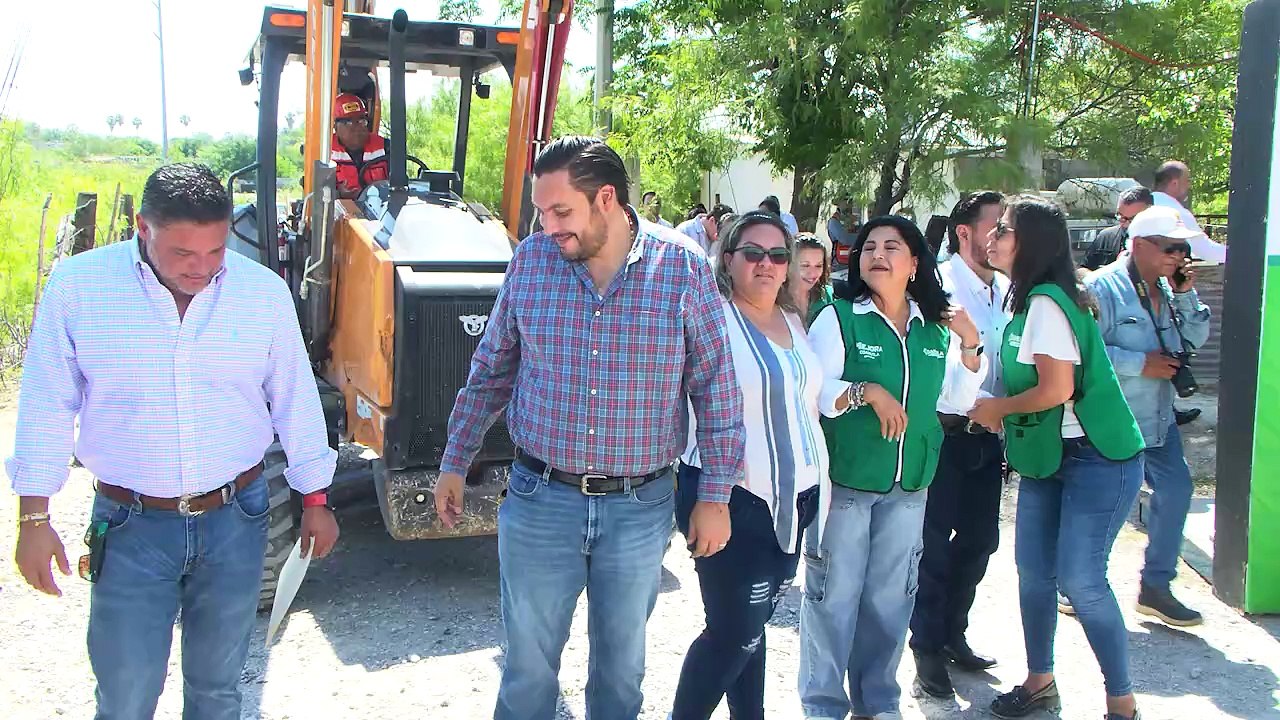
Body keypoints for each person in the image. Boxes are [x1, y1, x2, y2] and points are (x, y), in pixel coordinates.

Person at [7, 163, 339, 718]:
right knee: (126, 694)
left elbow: (295, 399)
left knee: (217, 691)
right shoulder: (80, 289)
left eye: (216, 251)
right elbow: (47, 404)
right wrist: (33, 519)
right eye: (183, 253)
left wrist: (315, 500)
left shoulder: (262, 293)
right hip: (130, 527)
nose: (202, 268)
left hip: (236, 521)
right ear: (143, 227)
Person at [433, 136, 745, 720]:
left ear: (606, 199)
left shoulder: (681, 268)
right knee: (527, 673)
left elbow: (717, 389)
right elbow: (491, 369)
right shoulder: (532, 262)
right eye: (541, 212)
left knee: (621, 676)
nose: (547, 227)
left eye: (560, 211)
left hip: (639, 508)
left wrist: (716, 496)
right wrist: (455, 459)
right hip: (540, 500)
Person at [969, 195, 1146, 720]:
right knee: (1034, 573)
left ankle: (1122, 704)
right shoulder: (1026, 300)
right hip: (1048, 457)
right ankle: (1040, 682)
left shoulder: (1046, 302)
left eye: (1003, 230)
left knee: (1081, 581)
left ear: (1032, 244)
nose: (991, 237)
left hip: (1097, 458)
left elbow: (1055, 389)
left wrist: (997, 409)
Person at [802, 215, 985, 720]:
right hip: (847, 483)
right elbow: (815, 393)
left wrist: (971, 345)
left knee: (890, 599)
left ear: (915, 264)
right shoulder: (839, 317)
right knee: (833, 598)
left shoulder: (933, 327)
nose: (877, 255)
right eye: (869, 247)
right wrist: (868, 392)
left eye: (891, 247)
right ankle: (823, 706)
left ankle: (878, 701)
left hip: (910, 487)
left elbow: (955, 399)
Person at [670, 211, 827, 720]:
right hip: (731, 498)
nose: (766, 264)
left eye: (778, 255)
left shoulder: (793, 319)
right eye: (753, 253)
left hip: (794, 500)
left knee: (750, 630)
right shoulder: (710, 318)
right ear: (728, 259)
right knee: (732, 634)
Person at [1084, 205, 1212, 627]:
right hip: (1114, 422)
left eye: (1183, 249)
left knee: (1176, 493)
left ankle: (1156, 587)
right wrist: (1141, 364)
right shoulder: (1102, 288)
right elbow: (1085, 352)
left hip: (1158, 421)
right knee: (1108, 508)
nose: (1179, 257)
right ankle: (1081, 585)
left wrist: (1186, 294)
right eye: (1170, 248)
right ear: (1139, 245)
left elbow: (1195, 338)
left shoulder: (1171, 290)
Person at [909, 191, 1009, 698]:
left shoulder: (1007, 288)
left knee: (980, 540)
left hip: (989, 438)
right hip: (945, 434)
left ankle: (953, 632)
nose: (1004, 236)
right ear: (965, 232)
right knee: (933, 546)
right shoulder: (938, 286)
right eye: (996, 226)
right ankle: (926, 645)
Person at [1151, 161, 1227, 264]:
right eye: (1187, 181)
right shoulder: (1177, 212)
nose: (1189, 186)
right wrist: (1241, 253)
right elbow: (1206, 250)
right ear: (1175, 183)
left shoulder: (1144, 204)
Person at [332, 93, 390, 199]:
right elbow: (317, 192)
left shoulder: (386, 148)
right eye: (349, 122)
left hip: (378, 207)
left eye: (361, 121)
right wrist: (338, 195)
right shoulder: (325, 151)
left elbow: (399, 187)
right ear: (335, 125)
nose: (357, 127)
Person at [1082, 186, 1154, 271]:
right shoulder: (1105, 237)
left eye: (1132, 219)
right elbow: (1082, 269)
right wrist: (1099, 277)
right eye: (1120, 216)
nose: (1125, 224)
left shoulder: (1161, 243)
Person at [790, 231, 833, 325]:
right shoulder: (774, 298)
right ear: (790, 264)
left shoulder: (829, 296)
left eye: (818, 266)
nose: (813, 273)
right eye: (805, 265)